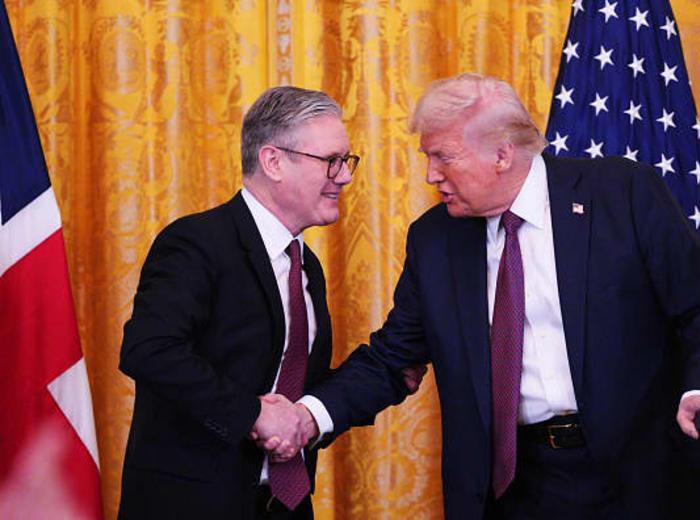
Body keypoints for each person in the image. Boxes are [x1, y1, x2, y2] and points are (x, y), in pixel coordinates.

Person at [294, 73, 700, 519]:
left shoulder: (621, 193)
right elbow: (393, 360)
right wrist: (309, 417)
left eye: (443, 157)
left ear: (502, 154)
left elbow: (694, 308)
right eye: (428, 157)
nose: (431, 175)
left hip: (640, 478)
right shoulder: (435, 240)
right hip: (512, 490)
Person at [117, 86, 423, 519]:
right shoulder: (197, 242)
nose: (344, 176)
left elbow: (289, 387)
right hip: (192, 506)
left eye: (347, 160)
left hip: (283, 506)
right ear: (273, 161)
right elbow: (149, 351)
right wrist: (253, 415)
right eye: (331, 161)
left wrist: (381, 377)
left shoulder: (305, 265)